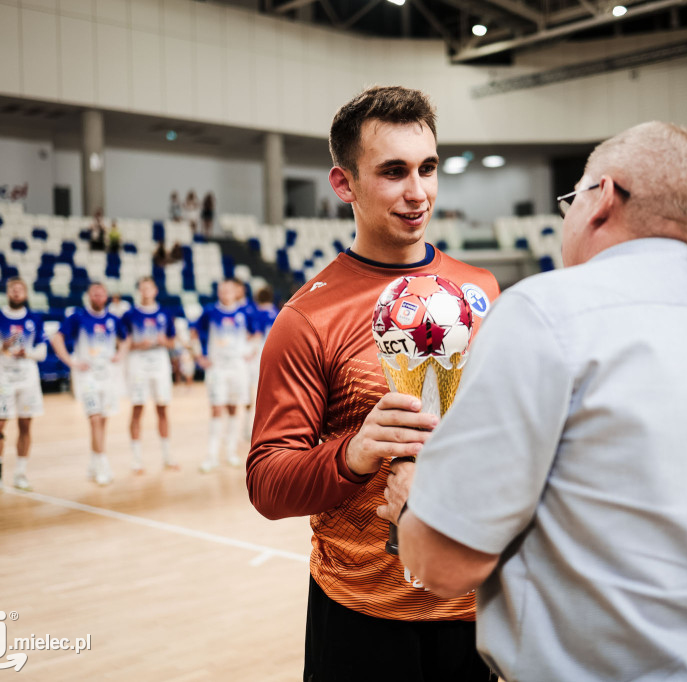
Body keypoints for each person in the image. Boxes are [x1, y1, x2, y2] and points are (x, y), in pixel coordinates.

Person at [380, 121, 687, 682]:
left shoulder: (546, 312)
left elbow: (446, 564)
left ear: (601, 198)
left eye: (570, 199)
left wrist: (413, 504)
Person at [246, 85, 500, 682]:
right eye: (393, 172)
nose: (418, 193)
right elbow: (266, 484)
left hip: (474, 605)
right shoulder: (307, 318)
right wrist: (353, 454)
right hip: (363, 614)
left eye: (428, 168)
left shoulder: (483, 291)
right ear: (344, 184)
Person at [50, 281, 125, 486]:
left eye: (102, 294)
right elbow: (56, 338)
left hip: (107, 376)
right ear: (88, 296)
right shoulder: (78, 317)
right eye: (94, 294)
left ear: (107, 296)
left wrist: (120, 354)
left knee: (103, 421)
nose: (98, 298)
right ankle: (103, 465)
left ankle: (94, 462)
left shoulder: (112, 319)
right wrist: (71, 361)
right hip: (87, 376)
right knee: (94, 419)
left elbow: (126, 340)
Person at [0, 278, 46, 495]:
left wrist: (28, 353)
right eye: (13, 290)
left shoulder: (35, 318)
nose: (16, 293)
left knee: (25, 426)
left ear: (25, 293)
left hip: (27, 380)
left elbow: (42, 353)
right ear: (8, 292)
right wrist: (2, 345)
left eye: (20, 290)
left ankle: (21, 474)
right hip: (3, 380)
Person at [193, 278, 259, 473]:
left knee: (233, 408)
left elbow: (256, 334)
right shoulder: (209, 312)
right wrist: (199, 356)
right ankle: (211, 455)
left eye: (229, 290)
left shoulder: (245, 312)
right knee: (216, 408)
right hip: (217, 368)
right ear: (219, 291)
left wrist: (252, 351)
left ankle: (230, 452)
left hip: (238, 367)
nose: (225, 293)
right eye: (222, 290)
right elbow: (194, 332)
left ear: (235, 292)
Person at [120, 277, 178, 473]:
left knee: (162, 408)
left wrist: (165, 341)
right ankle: (136, 459)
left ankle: (167, 456)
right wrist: (137, 344)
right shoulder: (129, 315)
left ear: (155, 290)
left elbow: (173, 342)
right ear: (139, 290)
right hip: (138, 363)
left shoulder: (165, 313)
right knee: (137, 408)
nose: (146, 291)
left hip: (160, 363)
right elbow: (122, 344)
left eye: (149, 287)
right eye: (143, 287)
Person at [241, 284, 278, 443]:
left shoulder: (255, 314)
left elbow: (254, 336)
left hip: (258, 357)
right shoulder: (279, 313)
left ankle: (249, 429)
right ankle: (270, 428)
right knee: (271, 394)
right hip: (275, 357)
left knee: (253, 394)